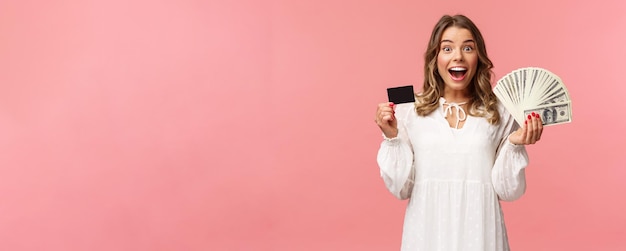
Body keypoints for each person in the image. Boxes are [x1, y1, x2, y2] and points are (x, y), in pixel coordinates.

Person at [374, 14, 544, 251]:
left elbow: (509, 191)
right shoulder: (409, 110)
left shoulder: (501, 112)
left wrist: (514, 144)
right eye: (447, 48)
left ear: (479, 57)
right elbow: (401, 189)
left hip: (481, 233)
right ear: (435, 57)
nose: (458, 56)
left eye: (468, 47)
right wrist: (392, 138)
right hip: (427, 233)